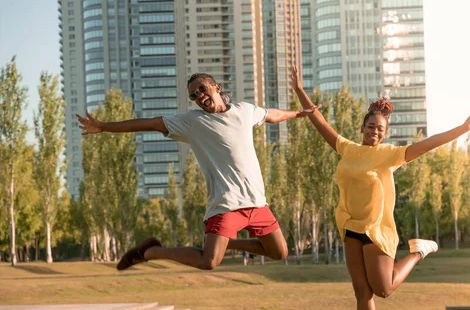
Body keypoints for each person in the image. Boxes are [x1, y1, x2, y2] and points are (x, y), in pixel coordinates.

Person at [291, 66, 470, 310]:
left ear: (384, 133)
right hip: (350, 227)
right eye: (370, 126)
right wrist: (298, 88)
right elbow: (318, 121)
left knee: (384, 290)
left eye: (380, 129)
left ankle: (419, 252)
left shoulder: (389, 155)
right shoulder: (347, 148)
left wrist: (463, 128)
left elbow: (429, 143)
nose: (374, 131)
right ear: (362, 127)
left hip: (377, 230)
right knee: (362, 293)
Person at [77, 72, 318, 271]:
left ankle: (230, 244)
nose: (199, 96)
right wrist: (104, 127)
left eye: (202, 89)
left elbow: (271, 115)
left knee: (279, 252)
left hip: (257, 202)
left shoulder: (244, 111)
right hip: (227, 203)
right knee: (209, 261)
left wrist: (297, 113)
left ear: (216, 86)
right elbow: (148, 123)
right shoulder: (192, 122)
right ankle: (152, 251)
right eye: (194, 95)